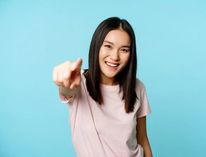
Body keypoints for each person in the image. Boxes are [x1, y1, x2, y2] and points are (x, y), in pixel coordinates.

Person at [52, 17, 152, 157]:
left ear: (131, 54)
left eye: (124, 50)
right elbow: (67, 90)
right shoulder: (79, 83)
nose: (115, 56)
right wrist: (64, 82)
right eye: (108, 46)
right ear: (97, 46)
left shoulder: (138, 87)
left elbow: (143, 139)